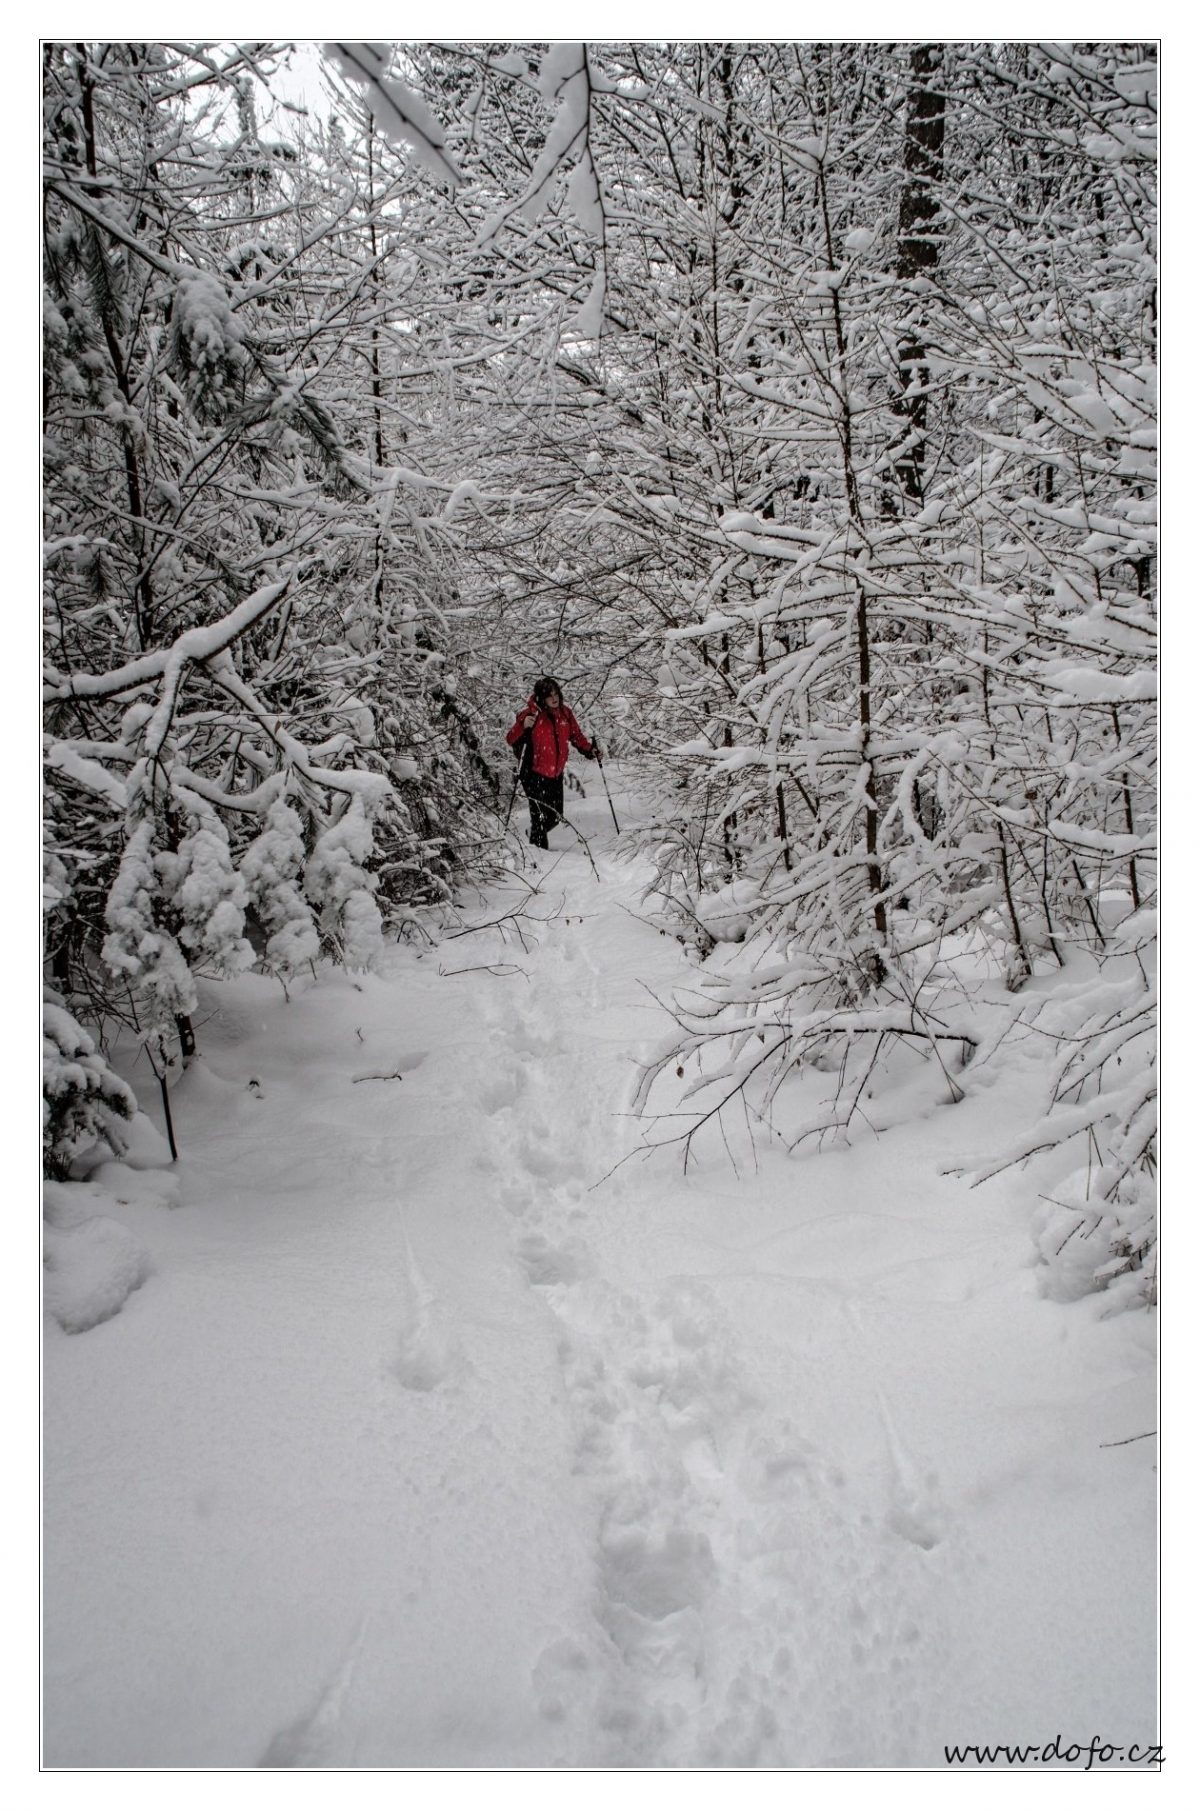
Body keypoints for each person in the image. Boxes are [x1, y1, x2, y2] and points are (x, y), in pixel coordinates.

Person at [506, 677, 599, 848]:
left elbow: (576, 736)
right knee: (540, 818)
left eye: (556, 694)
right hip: (533, 772)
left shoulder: (565, 713)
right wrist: (522, 726)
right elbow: (511, 738)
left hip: (555, 773)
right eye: (549, 696)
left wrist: (589, 750)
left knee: (555, 816)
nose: (554, 698)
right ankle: (541, 857)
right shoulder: (531, 714)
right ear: (542, 698)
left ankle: (533, 834)